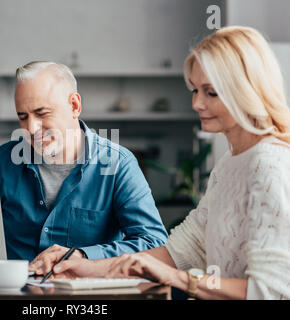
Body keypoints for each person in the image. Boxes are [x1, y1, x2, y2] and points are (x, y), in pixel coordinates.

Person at [51, 26, 290, 300]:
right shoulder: (230, 162)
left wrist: (179, 279)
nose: (197, 103)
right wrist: (90, 268)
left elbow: (269, 290)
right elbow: (184, 249)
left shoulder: (270, 165)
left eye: (211, 92)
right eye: (195, 90)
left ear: (247, 90)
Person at [0, 61, 168, 270]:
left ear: (74, 106)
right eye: (23, 117)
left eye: (42, 113)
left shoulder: (118, 164)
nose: (31, 128)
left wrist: (83, 255)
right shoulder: (3, 161)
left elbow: (154, 243)